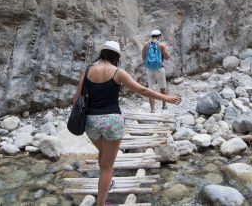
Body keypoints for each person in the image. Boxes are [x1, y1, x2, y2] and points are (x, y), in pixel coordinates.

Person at [72, 40, 181, 206]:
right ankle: (101, 203)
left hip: (91, 122)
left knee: (103, 154)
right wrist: (167, 98)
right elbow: (142, 90)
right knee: (108, 166)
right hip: (112, 122)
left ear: (102, 53)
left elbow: (76, 98)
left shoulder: (87, 70)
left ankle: (107, 182)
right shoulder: (117, 72)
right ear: (116, 56)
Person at [141, 30, 170, 113]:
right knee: (162, 87)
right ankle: (164, 105)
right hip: (159, 69)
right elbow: (167, 57)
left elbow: (143, 56)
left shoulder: (146, 44)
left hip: (149, 69)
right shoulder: (161, 45)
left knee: (151, 89)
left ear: (152, 36)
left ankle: (152, 109)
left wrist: (149, 63)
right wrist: (164, 47)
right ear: (159, 36)